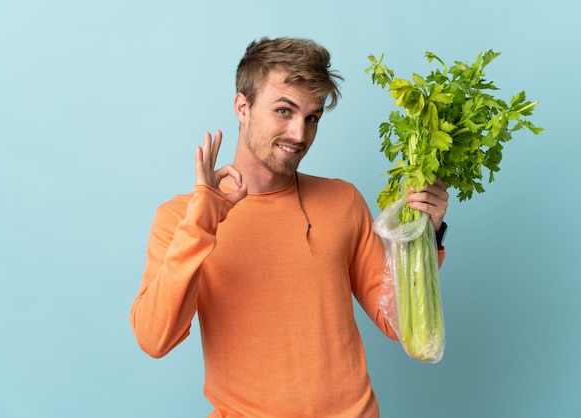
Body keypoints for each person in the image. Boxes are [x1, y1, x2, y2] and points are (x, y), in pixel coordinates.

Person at [130, 36, 449, 417]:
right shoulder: (181, 218)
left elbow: (398, 322)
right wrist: (201, 220)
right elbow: (154, 339)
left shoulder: (343, 201)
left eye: (311, 117)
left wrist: (423, 236)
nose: (300, 135)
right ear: (242, 107)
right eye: (284, 111)